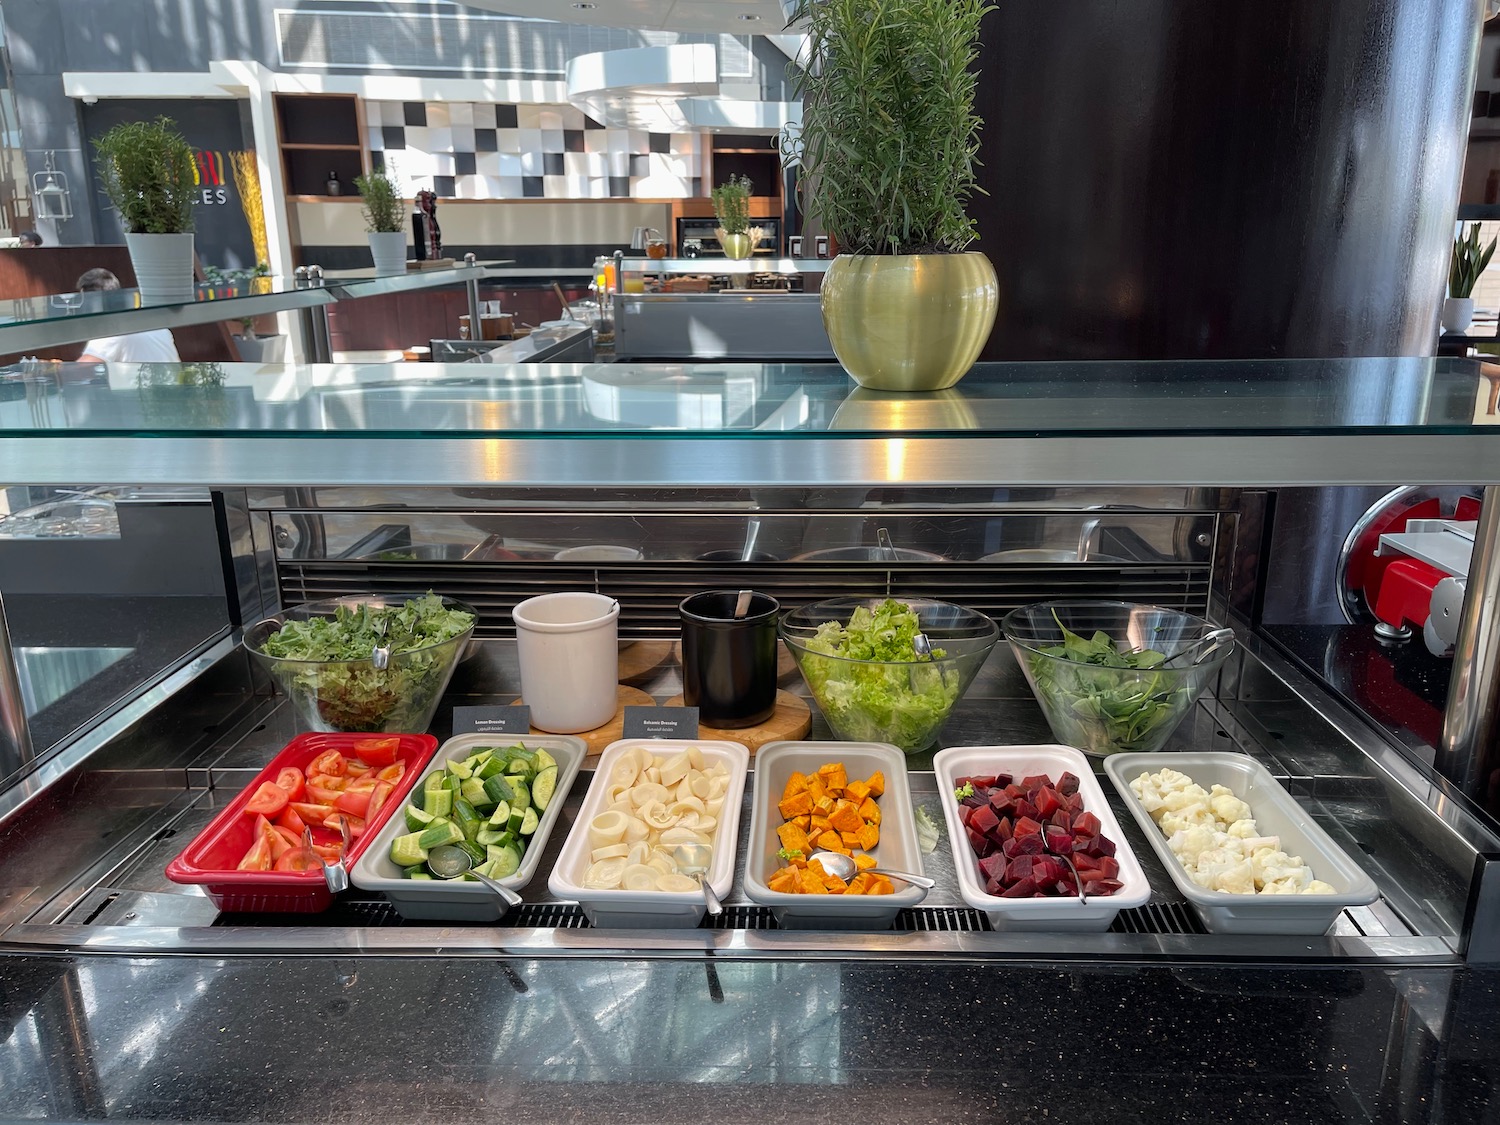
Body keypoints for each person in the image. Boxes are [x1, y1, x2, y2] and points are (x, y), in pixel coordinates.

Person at [76, 268, 180, 363]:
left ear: (92, 301)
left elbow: (83, 370)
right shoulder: (155, 325)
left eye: (82, 301)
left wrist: (60, 368)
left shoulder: (112, 328)